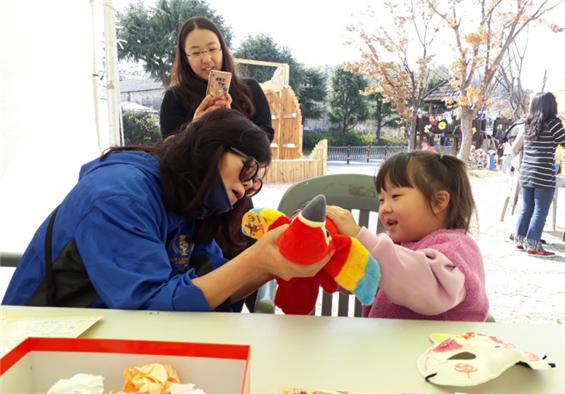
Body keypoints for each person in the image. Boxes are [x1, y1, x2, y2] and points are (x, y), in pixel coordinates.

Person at [2, 109, 331, 311]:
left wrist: (272, 263)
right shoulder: (119, 197)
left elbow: (210, 281)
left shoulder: (189, 199)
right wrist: (256, 259)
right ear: (211, 148)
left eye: (256, 183)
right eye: (248, 171)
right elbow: (151, 305)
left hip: (103, 332)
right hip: (39, 338)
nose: (247, 189)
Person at [327, 151, 488, 321]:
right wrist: (327, 260)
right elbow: (367, 277)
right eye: (381, 200)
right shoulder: (396, 246)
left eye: (395, 196)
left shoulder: (457, 249)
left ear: (439, 202)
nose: (384, 208)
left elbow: (422, 286)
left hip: (443, 346)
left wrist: (360, 237)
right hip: (393, 345)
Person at [159, 16, 273, 141]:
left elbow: (265, 139)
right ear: (185, 58)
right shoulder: (174, 97)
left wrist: (232, 122)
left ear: (222, 50)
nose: (207, 59)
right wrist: (195, 126)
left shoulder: (250, 88)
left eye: (212, 49)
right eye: (196, 53)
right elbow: (168, 151)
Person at [514, 92, 565, 257]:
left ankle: (520, 240)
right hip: (543, 173)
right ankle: (534, 244)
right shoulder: (553, 123)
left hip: (526, 171)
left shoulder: (527, 123)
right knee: (540, 210)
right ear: (551, 105)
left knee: (526, 207)